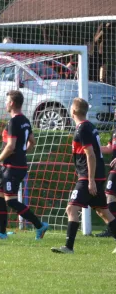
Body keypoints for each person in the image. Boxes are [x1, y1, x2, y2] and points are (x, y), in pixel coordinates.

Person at [51, 98, 116, 254]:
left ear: (73, 111)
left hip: (88, 176)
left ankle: (68, 247)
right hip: (96, 175)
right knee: (103, 212)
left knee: (71, 208)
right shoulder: (90, 127)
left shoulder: (83, 129)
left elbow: (91, 155)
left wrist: (91, 180)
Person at [0, 90, 49, 239]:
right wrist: (22, 153)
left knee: (11, 200)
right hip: (10, 166)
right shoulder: (26, 120)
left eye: (7, 101)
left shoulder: (14, 121)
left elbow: (11, 146)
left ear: (12, 103)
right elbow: (32, 141)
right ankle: (2, 232)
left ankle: (40, 226)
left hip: (13, 167)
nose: (5, 104)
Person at [95, 121, 116, 238]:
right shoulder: (114, 131)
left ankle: (111, 229)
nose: (115, 113)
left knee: (109, 195)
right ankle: (111, 229)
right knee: (111, 196)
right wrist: (92, 147)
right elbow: (109, 148)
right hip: (114, 169)